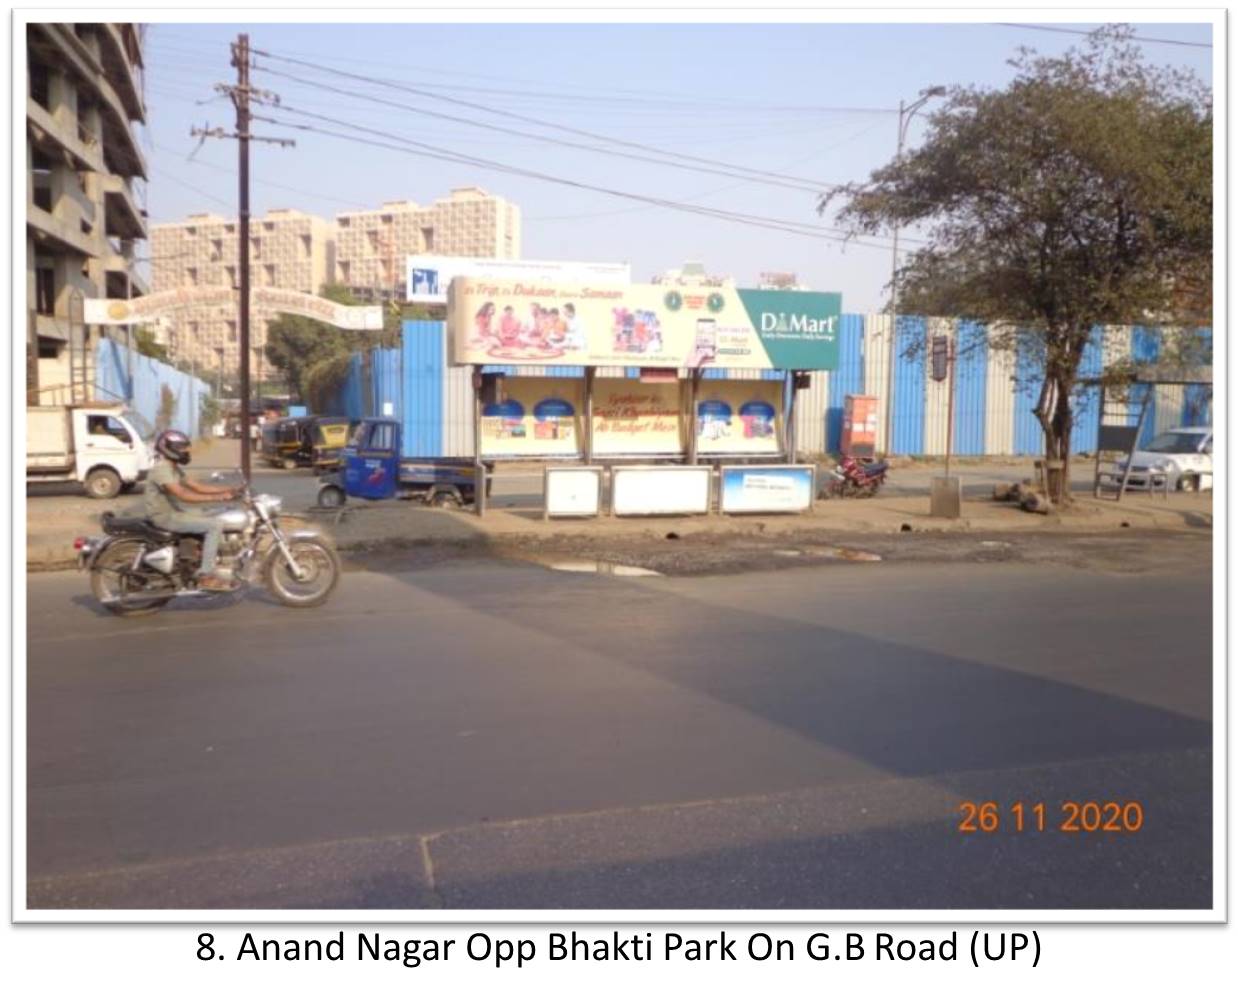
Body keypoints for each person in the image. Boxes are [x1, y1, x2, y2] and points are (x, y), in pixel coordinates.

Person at [144, 429, 242, 591]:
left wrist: (229, 490)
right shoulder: (162, 469)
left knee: (218, 512)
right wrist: (217, 497)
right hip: (165, 516)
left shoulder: (173, 467)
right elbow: (183, 494)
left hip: (176, 511)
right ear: (170, 449)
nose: (185, 452)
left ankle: (201, 555)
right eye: (181, 449)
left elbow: (196, 486)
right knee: (214, 525)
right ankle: (206, 575)